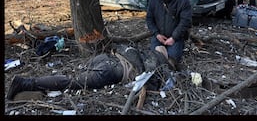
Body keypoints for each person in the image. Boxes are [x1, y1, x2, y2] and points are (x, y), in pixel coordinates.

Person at [6, 45, 169, 101]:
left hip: (104, 58)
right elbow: (153, 84)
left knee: (73, 75)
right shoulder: (158, 64)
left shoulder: (139, 51)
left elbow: (122, 48)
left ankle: (40, 86)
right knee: (72, 82)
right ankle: (24, 83)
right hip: (112, 71)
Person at [146, 0, 192, 70]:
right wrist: (156, 34)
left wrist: (174, 38)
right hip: (159, 36)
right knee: (154, 58)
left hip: (176, 37)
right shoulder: (153, 0)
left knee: (172, 60)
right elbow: (149, 19)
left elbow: (185, 22)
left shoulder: (183, 0)